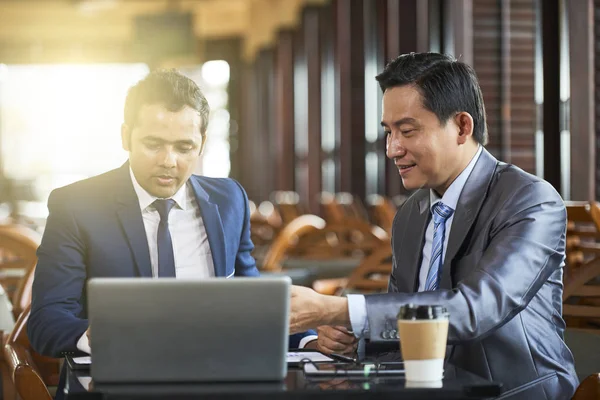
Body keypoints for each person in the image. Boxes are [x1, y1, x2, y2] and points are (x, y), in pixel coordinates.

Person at [289, 53, 578, 399]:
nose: (392, 149)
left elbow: (475, 309)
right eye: (388, 132)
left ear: (462, 127)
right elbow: (405, 326)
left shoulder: (529, 200)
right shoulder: (411, 215)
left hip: (512, 393)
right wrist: (354, 337)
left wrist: (339, 308)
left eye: (407, 131)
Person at [28, 70, 316, 398]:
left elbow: (250, 303)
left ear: (202, 144)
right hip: (113, 387)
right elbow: (45, 322)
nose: (169, 161)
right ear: (126, 137)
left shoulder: (228, 199)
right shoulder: (77, 205)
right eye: (153, 145)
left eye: (184, 147)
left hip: (217, 382)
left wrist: (310, 339)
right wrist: (93, 335)